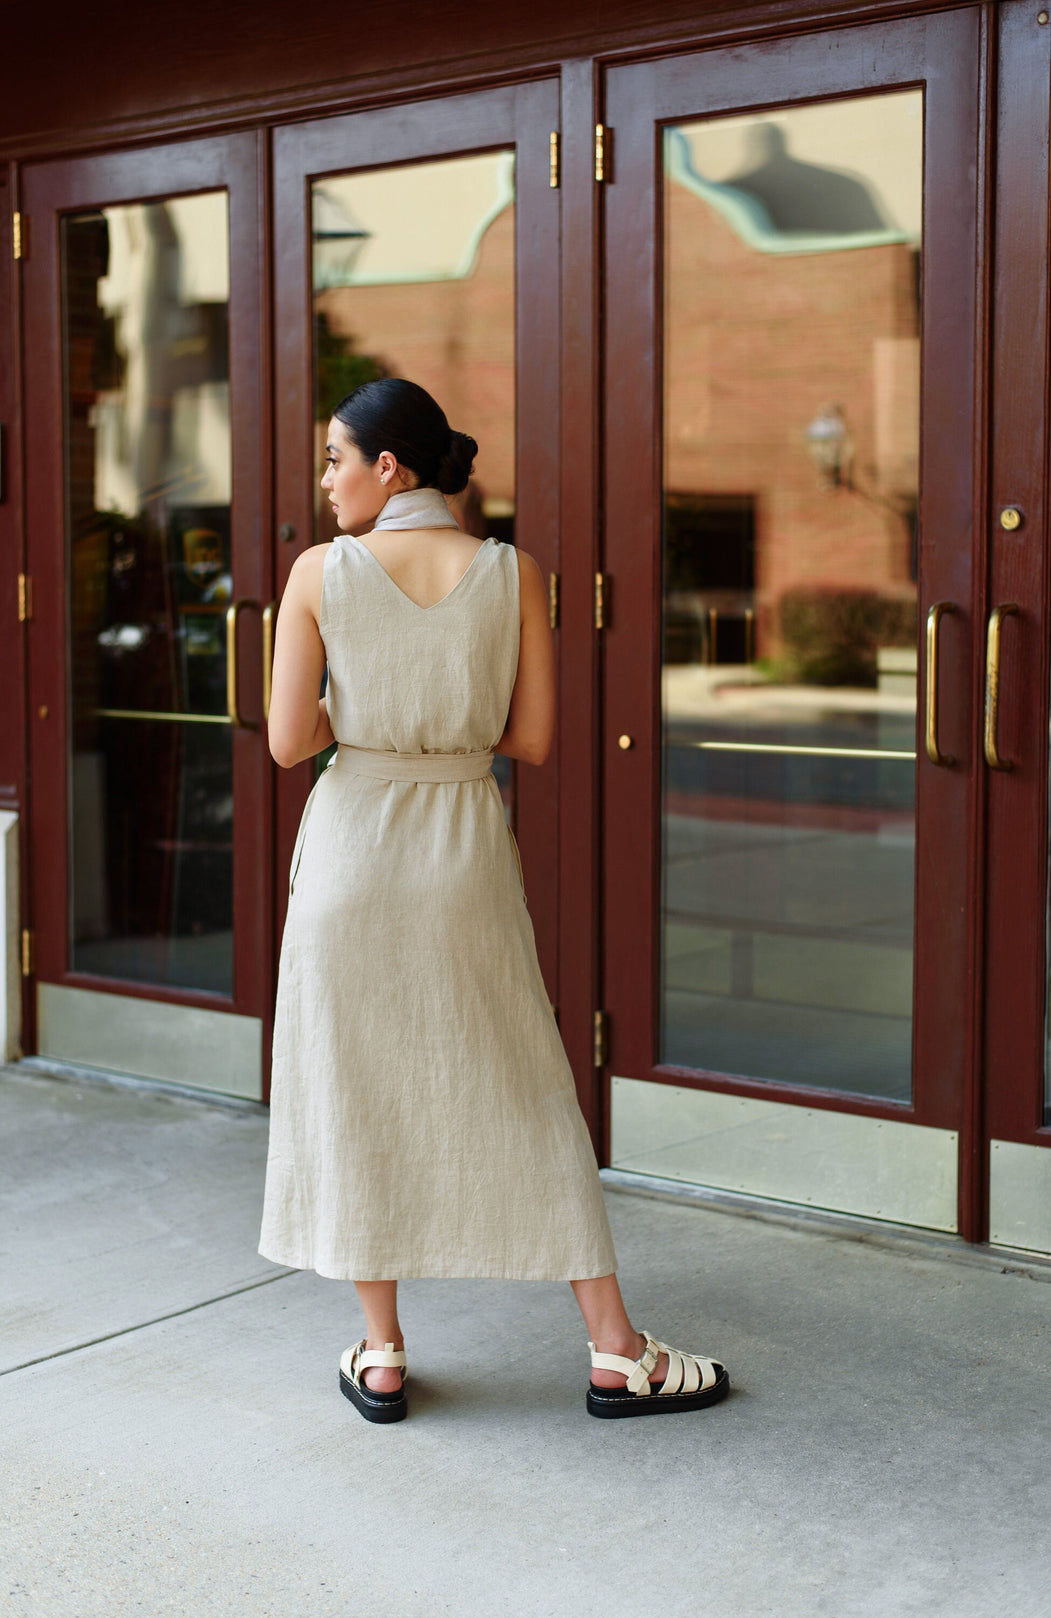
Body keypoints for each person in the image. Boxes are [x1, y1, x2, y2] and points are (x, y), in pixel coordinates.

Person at [258, 377, 728, 1423]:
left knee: (356, 1085)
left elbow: (289, 740)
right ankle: (616, 1347)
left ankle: (379, 1350)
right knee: (523, 1078)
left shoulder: (316, 576)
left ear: (391, 467)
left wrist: (367, 703)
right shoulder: (514, 573)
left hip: (351, 856)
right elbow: (533, 740)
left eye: (336, 459)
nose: (326, 480)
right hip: (463, 848)